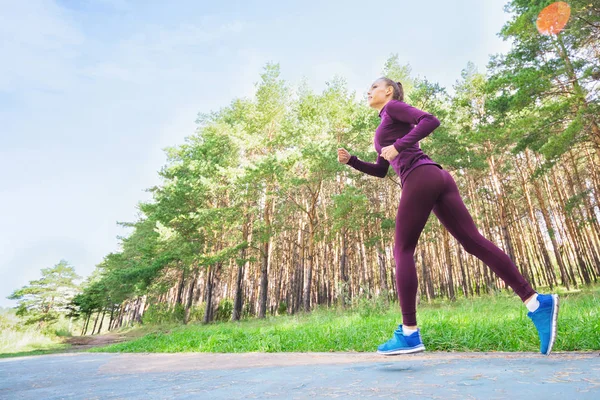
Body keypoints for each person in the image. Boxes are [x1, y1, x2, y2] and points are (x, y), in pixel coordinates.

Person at [337, 77, 559, 355]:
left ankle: (409, 333)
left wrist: (400, 146)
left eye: (372, 87)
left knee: (402, 250)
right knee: (473, 242)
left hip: (421, 176)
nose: (367, 91)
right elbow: (382, 170)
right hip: (437, 177)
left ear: (388, 91)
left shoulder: (394, 108)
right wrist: (353, 161)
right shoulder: (384, 124)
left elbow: (430, 120)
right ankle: (536, 302)